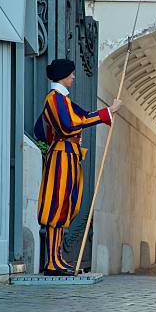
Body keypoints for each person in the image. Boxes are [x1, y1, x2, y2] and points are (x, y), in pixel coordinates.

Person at [34, 59, 121, 276]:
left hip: (70, 156)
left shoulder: (62, 99)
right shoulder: (54, 99)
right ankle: (52, 262)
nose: (74, 77)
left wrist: (107, 114)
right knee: (56, 208)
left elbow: (78, 118)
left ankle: (57, 259)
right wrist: (106, 113)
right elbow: (70, 124)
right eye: (71, 74)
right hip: (61, 156)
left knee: (65, 208)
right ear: (63, 75)